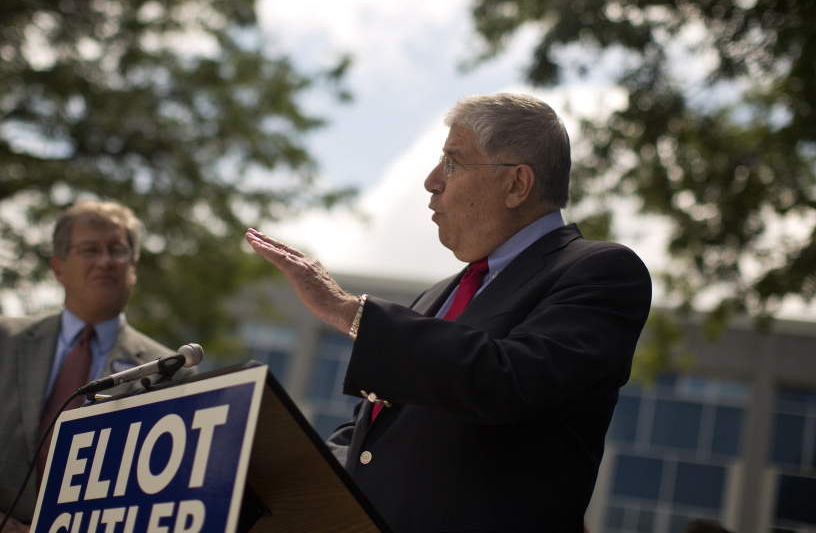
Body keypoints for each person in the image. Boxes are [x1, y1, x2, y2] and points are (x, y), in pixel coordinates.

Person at [246, 93, 652, 532]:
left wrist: (352, 313)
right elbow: (373, 443)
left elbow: (511, 382)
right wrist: (265, 468)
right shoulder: (436, 297)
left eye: (452, 163)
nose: (431, 181)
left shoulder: (600, 271)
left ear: (517, 184)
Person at [0, 200, 187, 533]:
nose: (105, 261)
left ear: (134, 265)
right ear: (58, 268)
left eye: (117, 250)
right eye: (88, 249)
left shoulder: (170, 370)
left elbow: (165, 485)